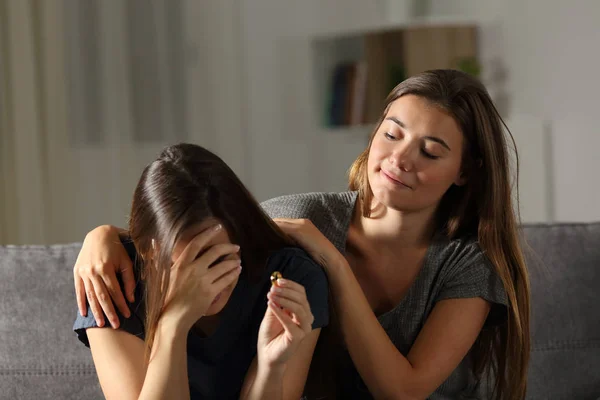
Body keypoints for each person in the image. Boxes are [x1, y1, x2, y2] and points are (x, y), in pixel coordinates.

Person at [73, 69, 530, 399]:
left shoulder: (467, 263)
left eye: (430, 152)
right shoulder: (303, 215)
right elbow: (201, 225)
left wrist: (332, 261)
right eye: (391, 134)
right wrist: (103, 236)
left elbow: (404, 390)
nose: (401, 159)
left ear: (465, 172)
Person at [72, 143, 329, 400]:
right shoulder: (111, 280)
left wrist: (271, 369)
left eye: (220, 259)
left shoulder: (292, 279)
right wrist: (173, 324)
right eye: (188, 264)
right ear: (148, 253)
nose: (208, 283)